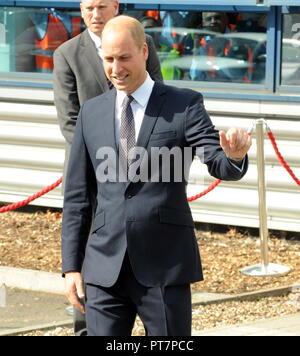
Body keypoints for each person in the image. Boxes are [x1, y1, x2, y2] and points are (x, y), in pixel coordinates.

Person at [61, 15, 252, 336]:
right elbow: (77, 196)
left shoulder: (184, 104)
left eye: (124, 58)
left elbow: (217, 161)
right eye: (108, 59)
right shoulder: (90, 113)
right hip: (103, 269)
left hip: (164, 267)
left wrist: (233, 156)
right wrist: (70, 267)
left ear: (144, 51)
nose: (116, 68)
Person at [53, 0, 162, 335]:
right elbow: (70, 119)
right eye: (88, 8)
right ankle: (87, 323)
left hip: (140, 169)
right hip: (91, 173)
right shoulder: (67, 54)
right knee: (90, 248)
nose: (95, 14)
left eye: (101, 6)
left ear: (115, 6)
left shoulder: (144, 45)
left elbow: (156, 96)